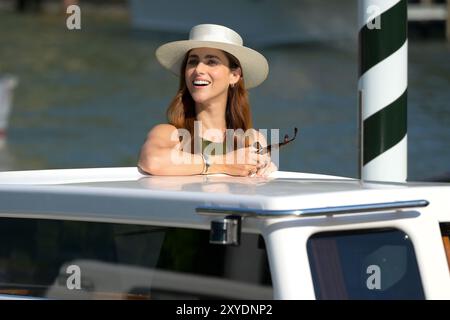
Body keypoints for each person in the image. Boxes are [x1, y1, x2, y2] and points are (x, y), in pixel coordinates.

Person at [138, 24, 278, 177]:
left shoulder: (253, 139)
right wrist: (222, 163)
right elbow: (153, 161)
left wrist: (266, 170)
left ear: (234, 75)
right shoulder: (170, 133)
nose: (198, 69)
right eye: (192, 62)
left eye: (211, 62)